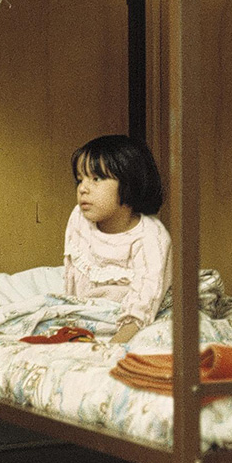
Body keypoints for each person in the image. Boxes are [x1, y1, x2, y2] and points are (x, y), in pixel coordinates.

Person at [65, 134, 172, 344]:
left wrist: (114, 345)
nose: (82, 188)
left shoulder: (151, 236)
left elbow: (146, 299)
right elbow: (73, 279)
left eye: (96, 179)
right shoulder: (79, 218)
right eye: (80, 179)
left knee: (161, 334)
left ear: (129, 183)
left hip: (134, 317)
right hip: (89, 313)